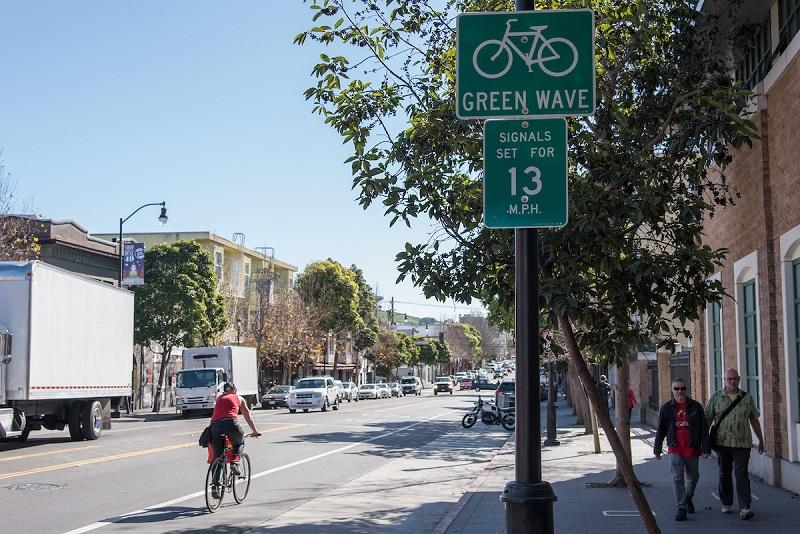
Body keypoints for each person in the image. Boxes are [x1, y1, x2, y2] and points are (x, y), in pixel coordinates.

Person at [704, 368, 764, 520]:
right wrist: (703, 443)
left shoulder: (746, 398)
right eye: (729, 379)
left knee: (741, 473)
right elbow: (707, 420)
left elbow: (754, 420)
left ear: (739, 379)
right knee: (724, 473)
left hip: (742, 443)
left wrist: (761, 440)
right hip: (722, 443)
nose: (732, 381)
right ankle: (726, 502)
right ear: (724, 380)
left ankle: (745, 507)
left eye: (734, 378)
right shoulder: (716, 397)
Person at [654, 377, 711, 521]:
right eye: (677, 388)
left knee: (693, 477)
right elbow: (661, 429)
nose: (680, 391)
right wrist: (657, 448)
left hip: (692, 448)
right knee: (677, 478)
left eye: (683, 388)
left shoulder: (696, 407)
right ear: (672, 390)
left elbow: (704, 428)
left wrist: (706, 448)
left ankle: (688, 497)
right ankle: (681, 507)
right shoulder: (666, 408)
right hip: (675, 449)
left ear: (686, 389)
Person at [209, 382, 261, 498]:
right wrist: (254, 431)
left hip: (215, 426)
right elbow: (248, 417)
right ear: (235, 390)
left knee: (217, 457)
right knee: (239, 442)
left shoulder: (219, 398)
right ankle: (235, 462)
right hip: (231, 424)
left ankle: (215, 487)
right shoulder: (239, 398)